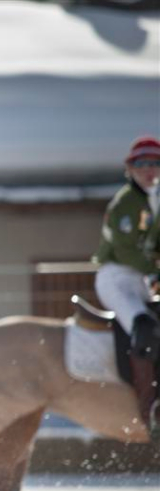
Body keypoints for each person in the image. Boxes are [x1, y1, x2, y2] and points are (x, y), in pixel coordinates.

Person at [94, 135, 160, 436]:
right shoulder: (125, 202)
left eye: (155, 163)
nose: (149, 170)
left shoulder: (154, 200)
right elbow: (125, 249)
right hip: (118, 278)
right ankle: (148, 406)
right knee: (144, 325)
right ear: (130, 169)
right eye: (142, 164)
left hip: (141, 277)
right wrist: (154, 271)